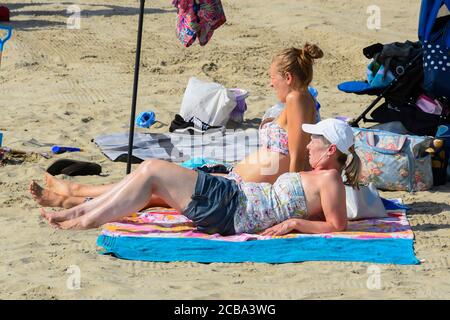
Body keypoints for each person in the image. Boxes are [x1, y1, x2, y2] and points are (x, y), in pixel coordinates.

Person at [29, 43, 324, 208]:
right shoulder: (298, 101)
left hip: (246, 189)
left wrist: (291, 201)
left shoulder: (298, 99)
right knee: (155, 191)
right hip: (241, 180)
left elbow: (297, 157)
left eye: (272, 76)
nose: (269, 81)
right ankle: (72, 195)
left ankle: (74, 192)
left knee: (155, 189)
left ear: (288, 76)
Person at [36, 119, 361, 236]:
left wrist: (296, 223)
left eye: (315, 140)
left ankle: (82, 216)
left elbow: (338, 226)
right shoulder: (319, 174)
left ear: (331, 149)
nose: (309, 144)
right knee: (149, 174)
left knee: (151, 169)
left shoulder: (330, 180)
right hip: (233, 195)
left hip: (235, 210)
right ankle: (80, 209)